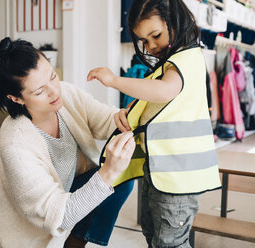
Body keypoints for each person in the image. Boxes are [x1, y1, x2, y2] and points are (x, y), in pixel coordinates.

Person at [87, 0, 222, 247]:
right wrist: (130, 111)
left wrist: (114, 81)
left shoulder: (187, 58)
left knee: (169, 241)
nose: (151, 46)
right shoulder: (171, 62)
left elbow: (164, 91)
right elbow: (160, 104)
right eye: (144, 41)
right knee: (154, 234)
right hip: (161, 168)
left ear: (175, 20)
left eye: (155, 35)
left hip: (178, 175)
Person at [0, 37, 136, 248]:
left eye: (53, 77)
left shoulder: (65, 94)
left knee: (121, 178)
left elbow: (105, 119)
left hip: (67, 196)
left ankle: (75, 244)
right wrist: (108, 173)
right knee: (110, 176)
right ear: (16, 98)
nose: (55, 91)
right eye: (40, 91)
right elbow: (59, 215)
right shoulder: (16, 145)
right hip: (33, 234)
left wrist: (125, 117)